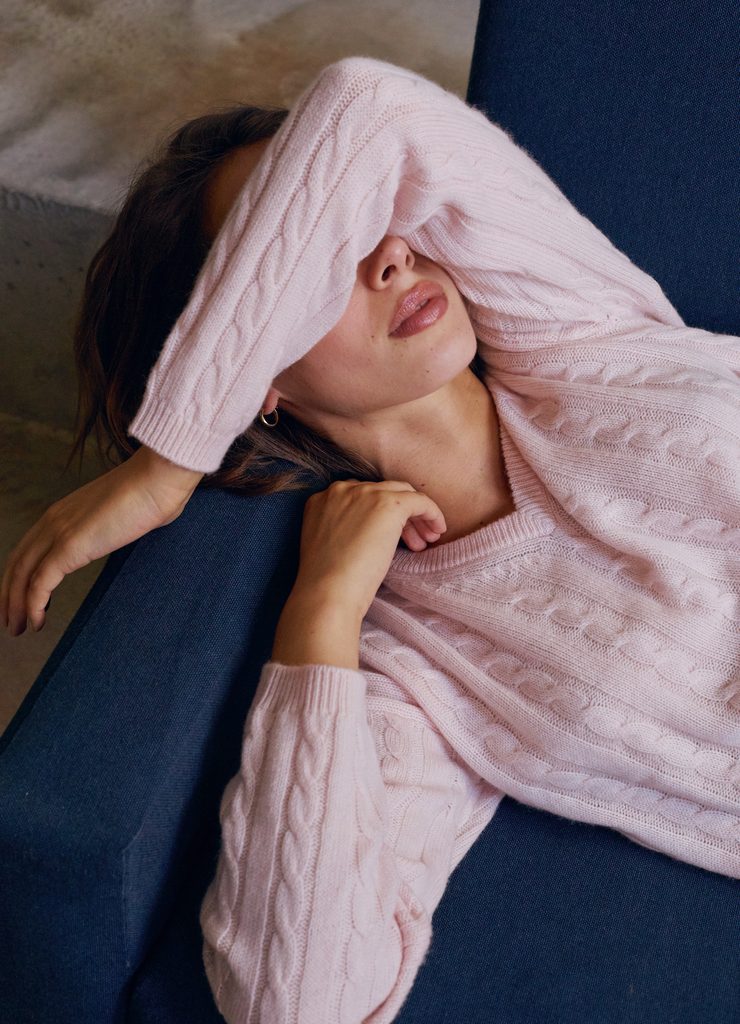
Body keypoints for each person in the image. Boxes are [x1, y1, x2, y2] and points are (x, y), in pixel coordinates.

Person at [2, 55, 739, 1023]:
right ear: (254, 374)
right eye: (315, 265)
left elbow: (368, 104)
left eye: (367, 216)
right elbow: (294, 1001)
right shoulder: (418, 664)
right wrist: (321, 617)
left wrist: (169, 459)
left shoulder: (581, 330)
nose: (390, 255)